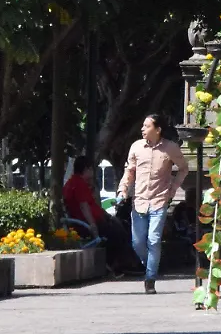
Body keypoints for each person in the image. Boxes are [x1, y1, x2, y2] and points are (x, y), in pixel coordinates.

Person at [116, 113, 188, 294]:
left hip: (159, 201)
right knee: (137, 243)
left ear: (158, 130)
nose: (142, 129)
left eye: (146, 126)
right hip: (139, 201)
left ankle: (150, 278)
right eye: (143, 125)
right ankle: (150, 264)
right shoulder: (136, 147)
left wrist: (172, 189)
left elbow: (183, 168)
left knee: (154, 240)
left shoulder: (170, 148)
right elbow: (129, 171)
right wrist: (123, 189)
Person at [63, 155, 137, 276]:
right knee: (118, 232)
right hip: (86, 224)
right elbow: (84, 206)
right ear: (86, 169)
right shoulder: (79, 184)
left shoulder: (73, 182)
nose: (93, 172)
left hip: (90, 220)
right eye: (91, 169)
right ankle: (117, 265)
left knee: (119, 226)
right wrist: (92, 225)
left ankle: (123, 264)